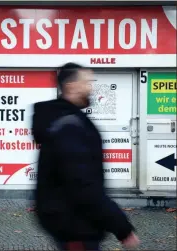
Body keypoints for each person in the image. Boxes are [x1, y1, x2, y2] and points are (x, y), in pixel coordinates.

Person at [32, 63, 140, 251]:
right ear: (71, 86)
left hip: (72, 222)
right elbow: (83, 185)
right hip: (76, 226)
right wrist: (122, 228)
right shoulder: (70, 127)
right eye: (87, 82)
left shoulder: (62, 120)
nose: (91, 88)